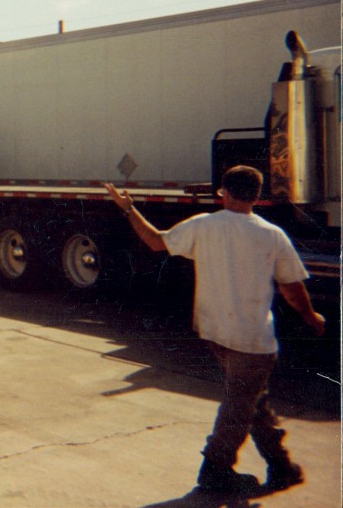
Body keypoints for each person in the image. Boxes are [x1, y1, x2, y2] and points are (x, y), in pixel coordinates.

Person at [104, 166, 325, 495]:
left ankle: (281, 466)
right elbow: (291, 285)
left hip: (215, 333)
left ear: (224, 192)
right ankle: (215, 471)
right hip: (252, 340)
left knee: (249, 400)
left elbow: (155, 241)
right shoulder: (271, 234)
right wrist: (310, 316)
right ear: (257, 195)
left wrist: (128, 208)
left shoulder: (203, 225)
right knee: (241, 402)